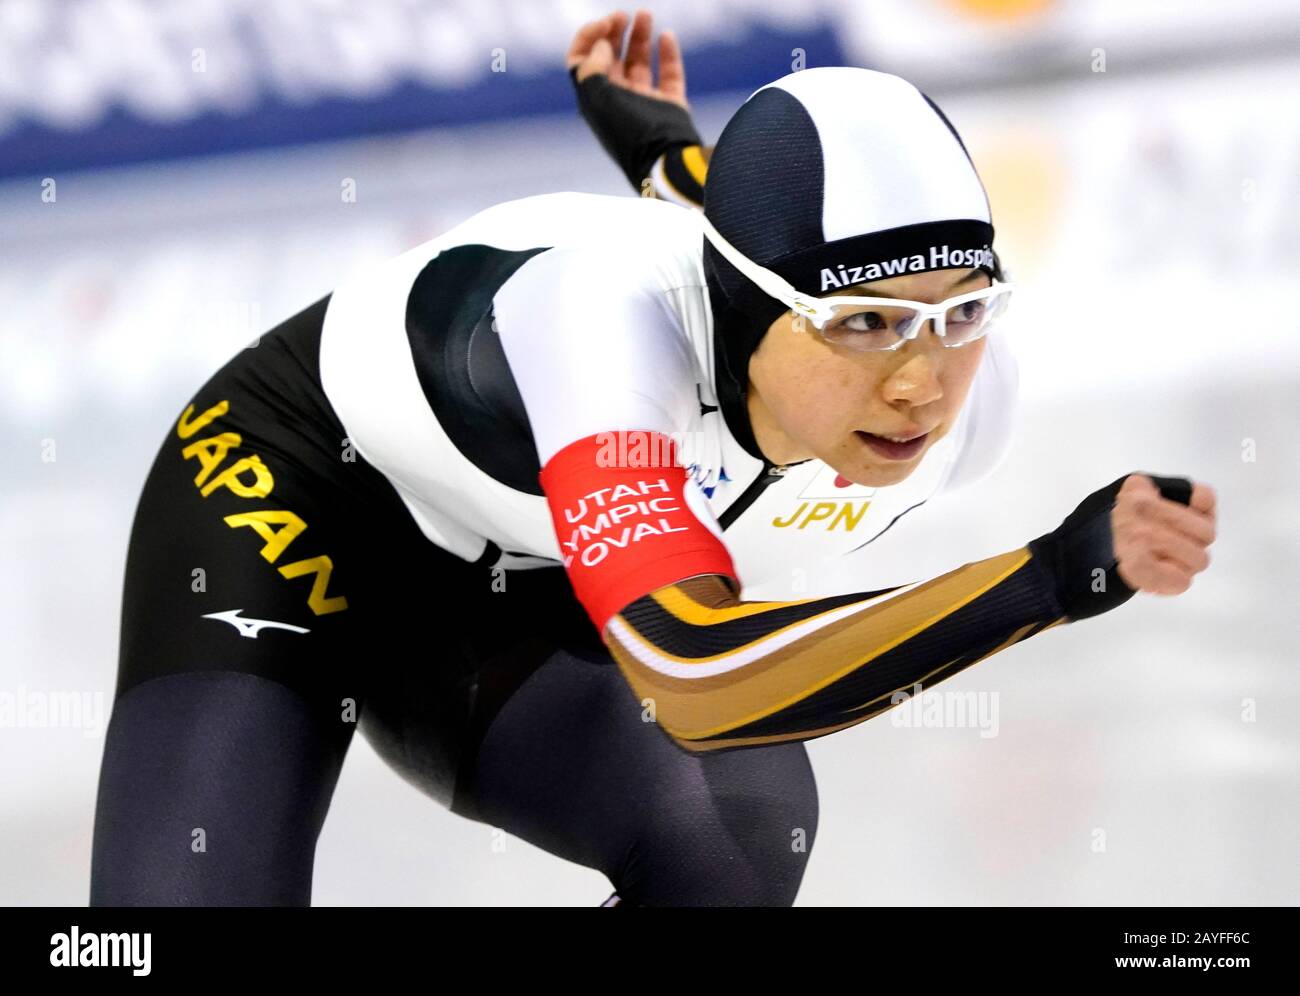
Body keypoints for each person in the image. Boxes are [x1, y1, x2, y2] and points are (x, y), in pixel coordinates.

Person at [89, 20, 1216, 907]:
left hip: (520, 570)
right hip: (300, 497)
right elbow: (695, 674)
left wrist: (657, 145)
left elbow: (742, 228)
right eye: (865, 324)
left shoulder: (971, 398)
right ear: (739, 306)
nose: (920, 383)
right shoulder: (598, 322)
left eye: (962, 313)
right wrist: (1050, 577)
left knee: (736, 830)